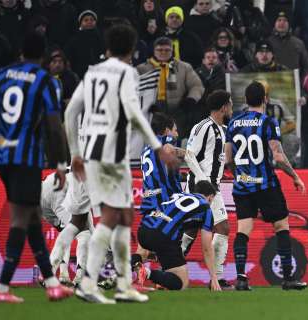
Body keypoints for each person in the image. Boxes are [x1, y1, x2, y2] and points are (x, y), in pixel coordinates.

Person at [65, 24, 177, 304]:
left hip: (91, 153)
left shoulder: (92, 73)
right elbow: (134, 112)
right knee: (115, 217)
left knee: (123, 217)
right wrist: (157, 146)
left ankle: (123, 283)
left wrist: (75, 153)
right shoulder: (127, 72)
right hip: (112, 154)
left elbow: (70, 112)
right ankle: (89, 282)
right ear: (131, 49)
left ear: (108, 47)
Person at [0, 32, 73, 303]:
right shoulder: (43, 80)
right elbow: (54, 126)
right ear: (42, 55)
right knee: (22, 217)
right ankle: (3, 288)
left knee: (31, 216)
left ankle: (52, 283)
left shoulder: (1, 75)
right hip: (26, 158)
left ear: (20, 51)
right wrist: (60, 164)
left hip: (1, 156)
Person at [226, 81, 307, 291]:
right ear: (265, 99)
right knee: (281, 225)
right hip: (266, 185)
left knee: (243, 229)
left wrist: (241, 176)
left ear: (245, 100)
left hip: (242, 187)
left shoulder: (233, 123)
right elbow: (278, 157)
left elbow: (227, 160)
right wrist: (295, 176)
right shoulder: (268, 122)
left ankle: (241, 279)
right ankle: (288, 278)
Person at [183, 90, 234, 289]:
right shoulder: (203, 127)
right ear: (223, 107)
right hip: (199, 187)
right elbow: (189, 155)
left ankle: (217, 278)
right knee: (192, 229)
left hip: (214, 187)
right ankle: (170, 269)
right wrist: (204, 182)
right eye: (229, 104)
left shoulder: (223, 129)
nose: (231, 108)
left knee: (221, 228)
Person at [134, 181, 222, 291]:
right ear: (210, 197)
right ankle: (146, 273)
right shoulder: (206, 208)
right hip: (163, 236)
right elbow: (207, 248)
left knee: (143, 253)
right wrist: (214, 277)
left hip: (144, 228)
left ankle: (116, 274)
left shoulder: (178, 194)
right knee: (181, 282)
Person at [131, 112, 183, 286]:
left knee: (144, 249)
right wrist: (190, 154)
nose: (177, 134)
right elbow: (169, 150)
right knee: (171, 238)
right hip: (163, 201)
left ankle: (125, 275)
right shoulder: (165, 141)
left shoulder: (145, 150)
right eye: (175, 130)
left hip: (148, 200)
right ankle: (164, 278)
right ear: (167, 130)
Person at [137, 36, 204, 140]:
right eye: (159, 50)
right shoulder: (142, 68)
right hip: (151, 111)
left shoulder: (184, 67)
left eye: (167, 50)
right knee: (151, 141)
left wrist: (191, 99)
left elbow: (197, 85)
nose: (163, 52)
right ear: (154, 50)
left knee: (173, 141)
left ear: (172, 51)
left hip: (177, 111)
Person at [40, 172, 92, 287]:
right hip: (60, 192)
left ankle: (61, 274)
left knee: (65, 231)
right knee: (84, 233)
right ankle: (78, 277)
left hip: (42, 194)